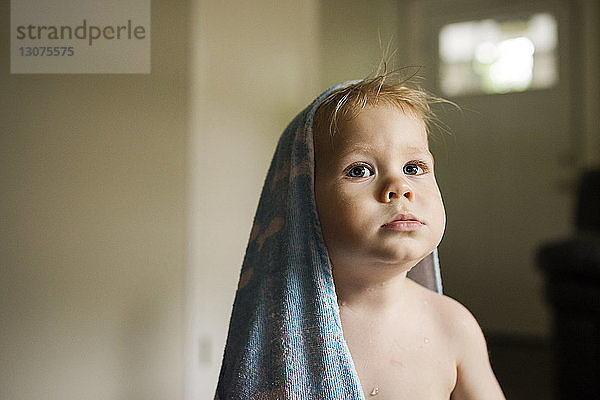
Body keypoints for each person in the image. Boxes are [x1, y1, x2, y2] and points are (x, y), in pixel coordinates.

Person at [216, 72, 506, 399]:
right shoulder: (279, 336)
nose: (399, 187)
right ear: (303, 203)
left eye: (413, 167)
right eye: (359, 170)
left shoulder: (452, 326)